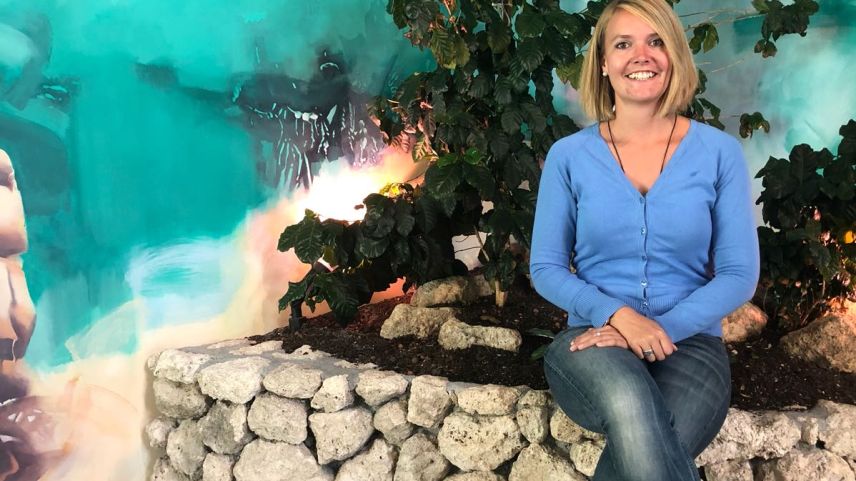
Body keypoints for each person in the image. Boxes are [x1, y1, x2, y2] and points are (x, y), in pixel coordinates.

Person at [529, 1, 760, 480]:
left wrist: (661, 328)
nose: (642, 55)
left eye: (656, 41)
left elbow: (739, 274)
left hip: (691, 345)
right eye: (623, 44)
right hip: (593, 341)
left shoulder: (719, 153)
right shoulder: (568, 157)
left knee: (653, 441)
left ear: (674, 55)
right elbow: (545, 268)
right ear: (603, 63)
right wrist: (619, 317)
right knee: (632, 404)